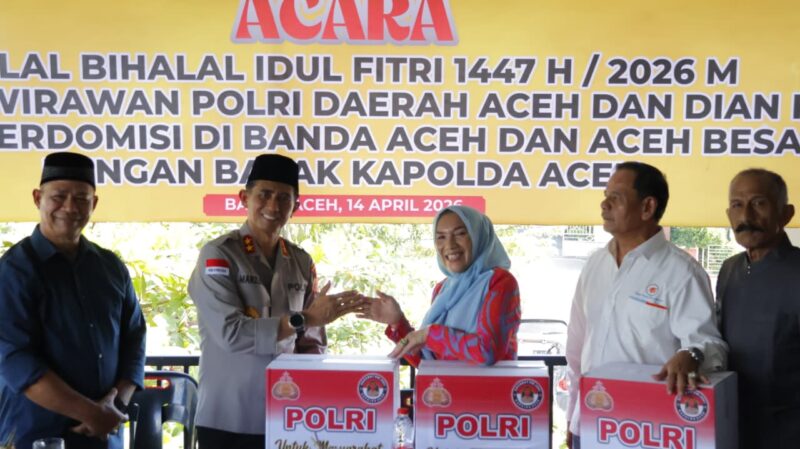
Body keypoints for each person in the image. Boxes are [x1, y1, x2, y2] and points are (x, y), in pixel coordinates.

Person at [187, 154, 365, 449]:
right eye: (264, 195)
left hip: (288, 416)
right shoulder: (218, 255)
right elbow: (232, 334)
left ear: (295, 207)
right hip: (229, 417)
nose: (273, 206)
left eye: (284, 198)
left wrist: (315, 400)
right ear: (244, 198)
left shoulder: (300, 261)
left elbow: (311, 344)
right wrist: (304, 318)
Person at [565, 161, 727, 449]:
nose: (604, 205)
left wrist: (691, 354)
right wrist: (572, 416)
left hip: (647, 428)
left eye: (615, 198)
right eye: (605, 195)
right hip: (589, 421)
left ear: (647, 207)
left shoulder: (682, 272)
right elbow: (577, 345)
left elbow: (708, 344)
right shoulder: (595, 264)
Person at [0, 152, 147, 449]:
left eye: (81, 198)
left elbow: (135, 339)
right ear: (37, 198)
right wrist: (91, 413)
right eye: (59, 196)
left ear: (94, 204)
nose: (69, 207)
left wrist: (113, 406)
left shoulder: (110, 267)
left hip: (104, 435)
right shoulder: (13, 270)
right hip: (36, 435)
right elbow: (16, 360)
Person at [359, 205, 521, 367]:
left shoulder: (499, 282)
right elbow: (426, 362)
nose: (450, 245)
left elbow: (488, 352)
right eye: (441, 237)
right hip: (445, 390)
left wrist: (429, 334)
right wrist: (397, 323)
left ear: (478, 236)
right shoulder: (443, 289)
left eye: (460, 234)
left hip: (490, 390)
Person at [717, 168, 800, 448]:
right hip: (731, 424)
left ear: (786, 214)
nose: (746, 217)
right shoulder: (730, 270)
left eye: (759, 203)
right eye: (737, 205)